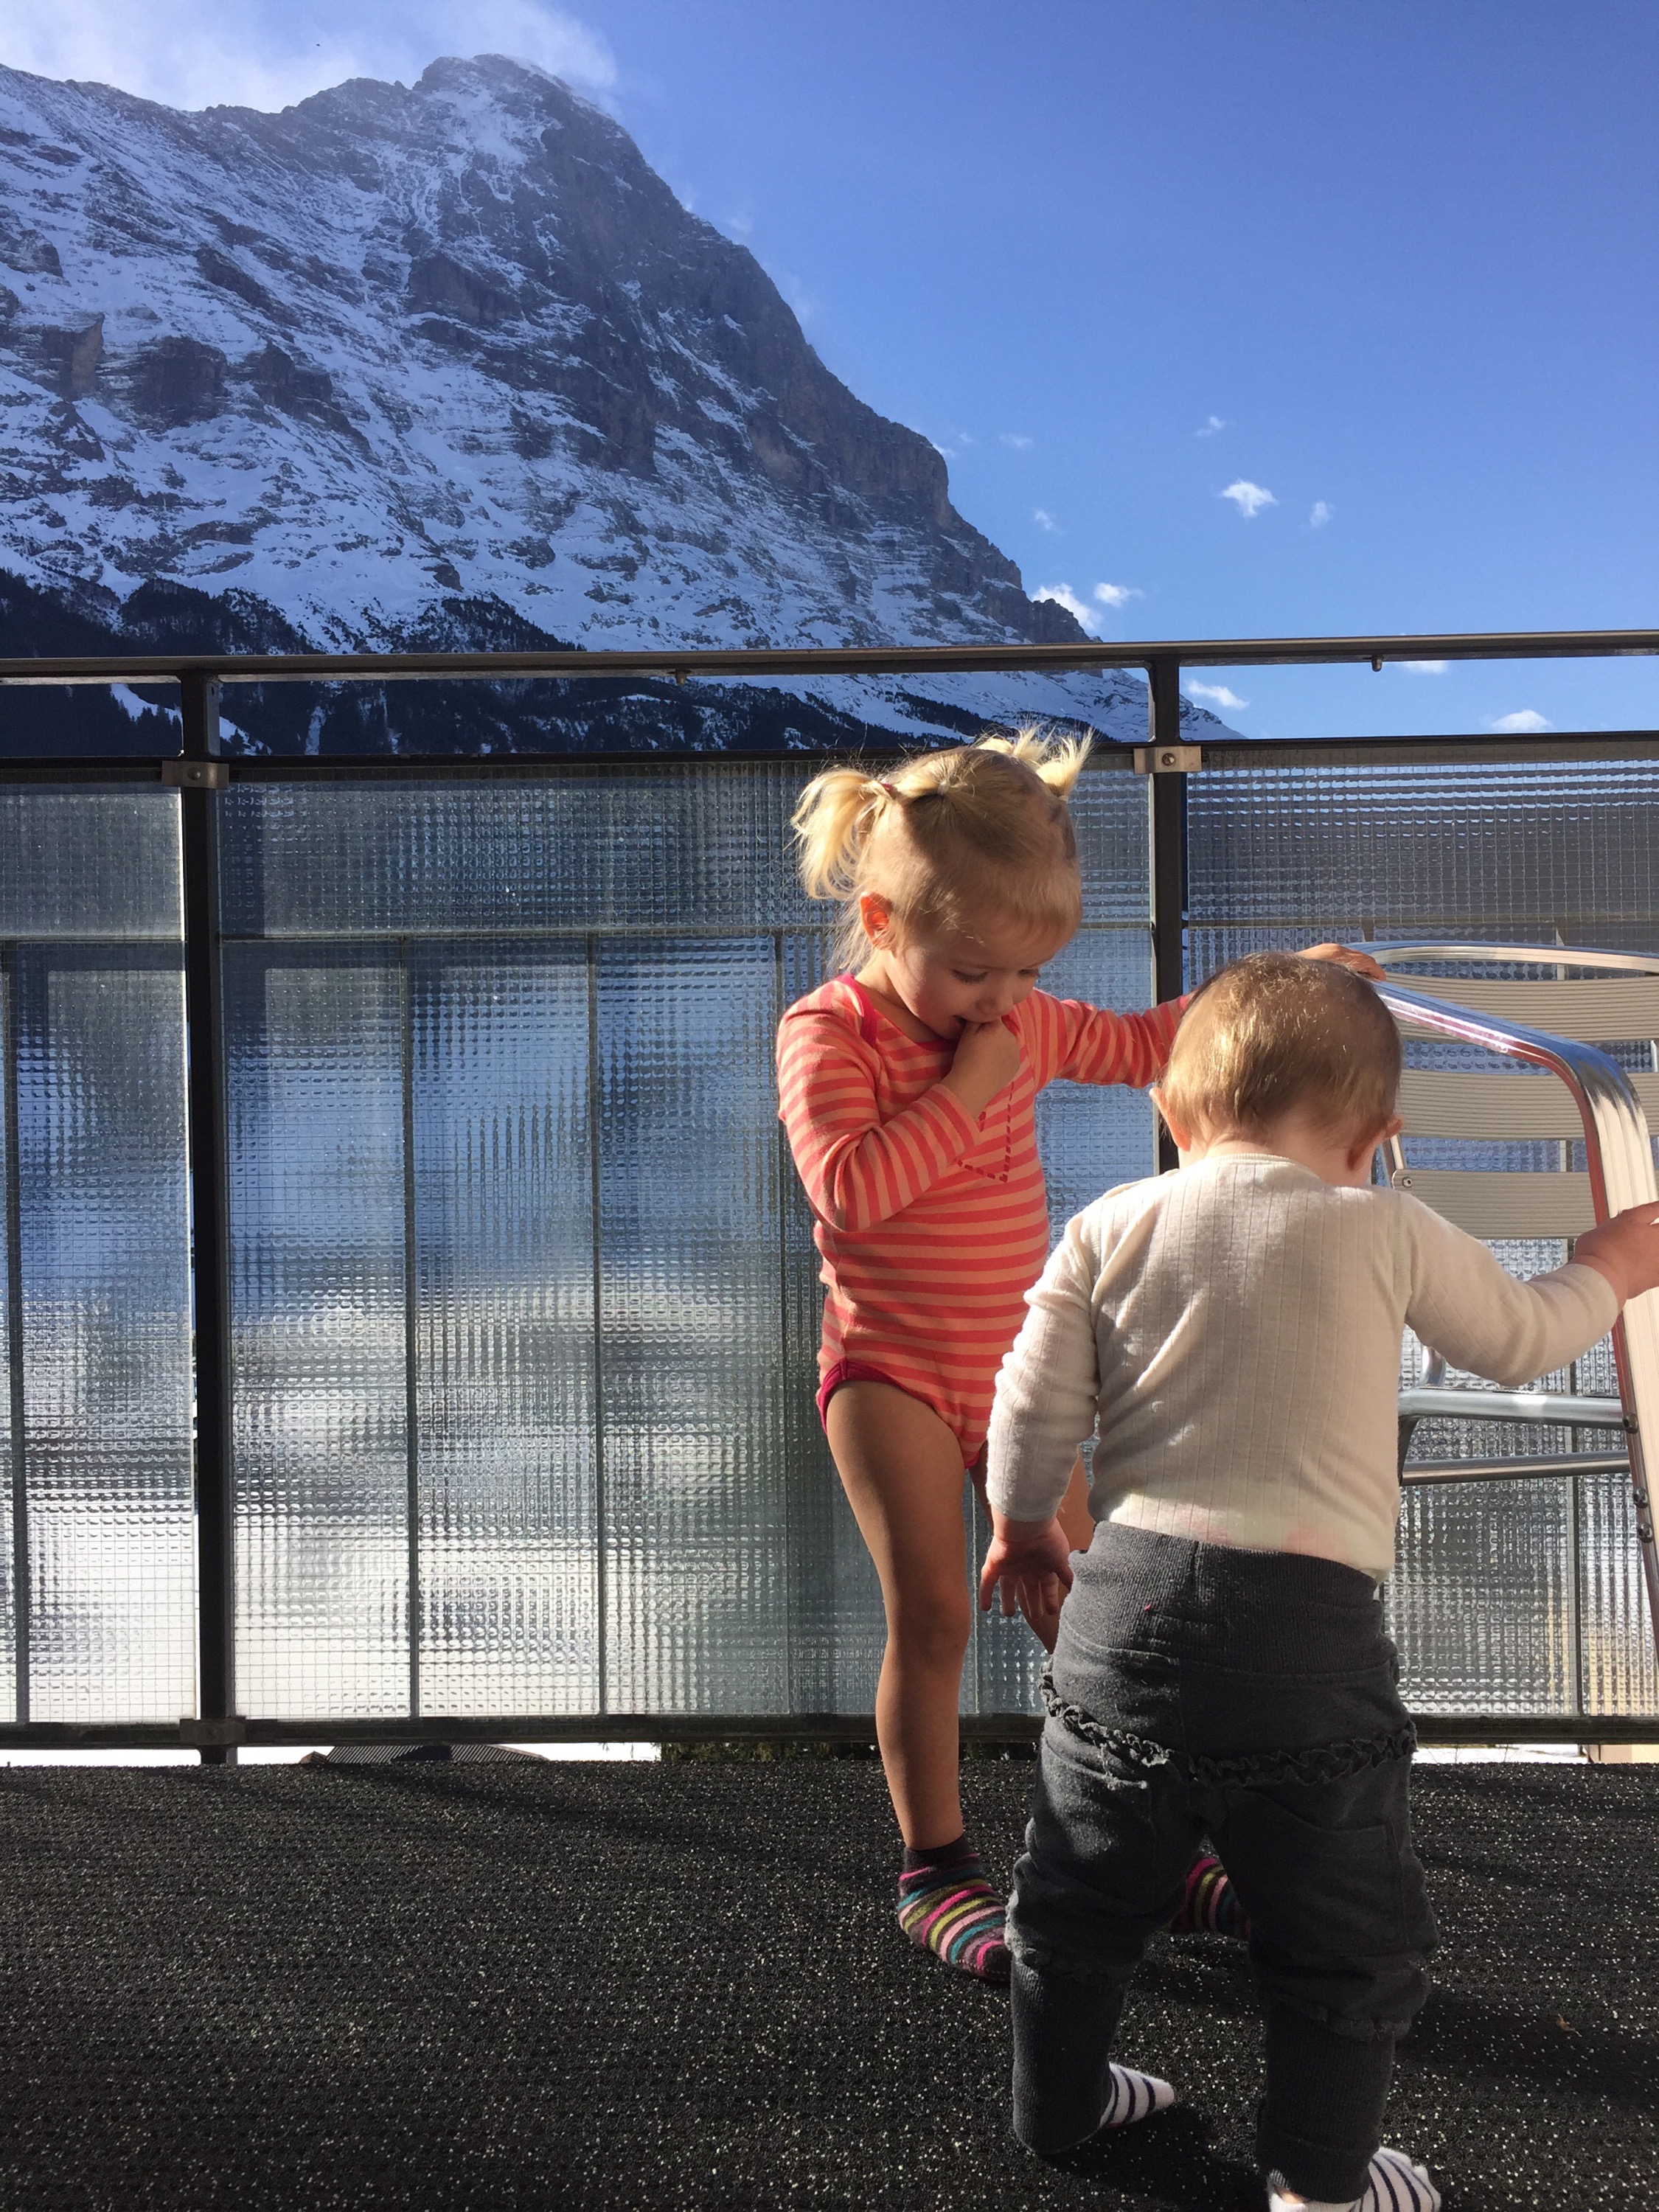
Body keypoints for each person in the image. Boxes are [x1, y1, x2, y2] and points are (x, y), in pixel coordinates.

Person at [980, 950, 1659, 2211]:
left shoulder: (1111, 1222)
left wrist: (1024, 1531)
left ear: (1173, 1114)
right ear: (1375, 1137)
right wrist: (1609, 1268)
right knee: (1339, 1939)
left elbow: (1027, 1406)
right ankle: (1318, 2183)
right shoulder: (1382, 1224)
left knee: (1078, 1895)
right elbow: (1519, 1342)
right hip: (1302, 1642)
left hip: (1120, 1615)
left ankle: (1055, 2107)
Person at [776, 734, 1380, 1983]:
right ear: (881, 920)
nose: (1002, 1001)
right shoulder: (829, 1031)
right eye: (973, 972)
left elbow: (1148, 1043)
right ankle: (936, 1871)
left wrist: (1280, 986)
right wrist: (970, 1085)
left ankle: (1140, 1846)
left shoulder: (1022, 1020)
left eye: (1028, 974)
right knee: (934, 1615)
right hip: (888, 1368)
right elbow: (849, 1196)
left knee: (1100, 1614)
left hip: (1019, 1372)